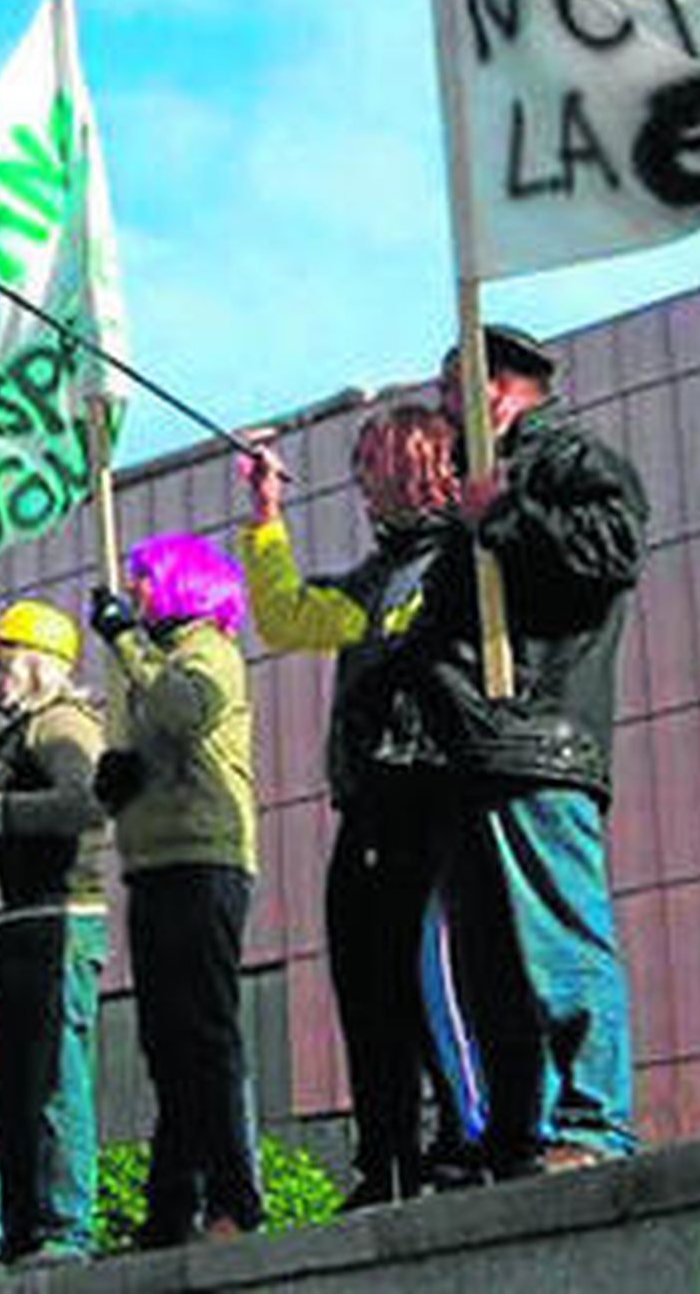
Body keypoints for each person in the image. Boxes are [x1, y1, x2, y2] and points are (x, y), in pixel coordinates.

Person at [407, 323, 649, 1178]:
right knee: (493, 967)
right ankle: (522, 1133)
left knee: (557, 938)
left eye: (450, 394)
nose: (443, 413)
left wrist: (502, 515)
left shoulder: (566, 462)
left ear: (498, 390)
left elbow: (611, 553)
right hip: (479, 752)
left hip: (538, 739)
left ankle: (593, 1121)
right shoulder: (481, 494)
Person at [238, 407, 484, 1207]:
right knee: (366, 986)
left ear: (421, 468)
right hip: (369, 803)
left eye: (375, 471)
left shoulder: (466, 560)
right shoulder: (376, 581)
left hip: (435, 793)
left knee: (432, 977)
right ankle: (385, 1158)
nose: (364, 491)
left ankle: (468, 1135)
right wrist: (267, 518)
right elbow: (286, 616)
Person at [89, 533, 263, 1246]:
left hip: (203, 857)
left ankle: (234, 1196)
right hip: (153, 860)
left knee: (205, 1032)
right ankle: (174, 1201)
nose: (134, 595)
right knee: (168, 1042)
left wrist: (127, 641)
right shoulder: (147, 663)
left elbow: (184, 710)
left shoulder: (207, 650)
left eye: (143, 582)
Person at [0, 600, 107, 1268]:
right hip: (8, 929)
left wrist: (0, 811)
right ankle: (22, 1231)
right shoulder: (8, 741)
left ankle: (65, 1227)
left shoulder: (63, 726)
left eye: (2, 660)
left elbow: (89, 800)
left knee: (51, 1082)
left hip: (57, 922)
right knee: (2, 1091)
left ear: (36, 664)